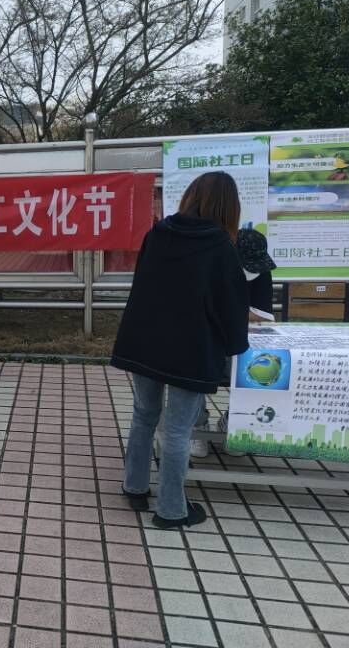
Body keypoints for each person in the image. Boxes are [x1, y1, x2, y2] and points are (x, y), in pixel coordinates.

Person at [111, 171, 250, 529]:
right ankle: (171, 510)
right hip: (191, 348)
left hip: (144, 341)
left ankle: (135, 487)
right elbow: (231, 307)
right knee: (177, 430)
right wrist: (236, 346)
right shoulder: (220, 247)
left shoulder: (157, 234)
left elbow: (142, 285)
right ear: (229, 207)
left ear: (190, 196)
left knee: (144, 415)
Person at [191, 226, 277, 458]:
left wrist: (227, 311)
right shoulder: (209, 267)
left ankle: (233, 422)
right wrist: (237, 312)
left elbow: (263, 316)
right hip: (205, 342)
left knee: (265, 367)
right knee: (192, 365)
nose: (253, 270)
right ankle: (197, 426)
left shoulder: (261, 271)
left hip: (244, 344)